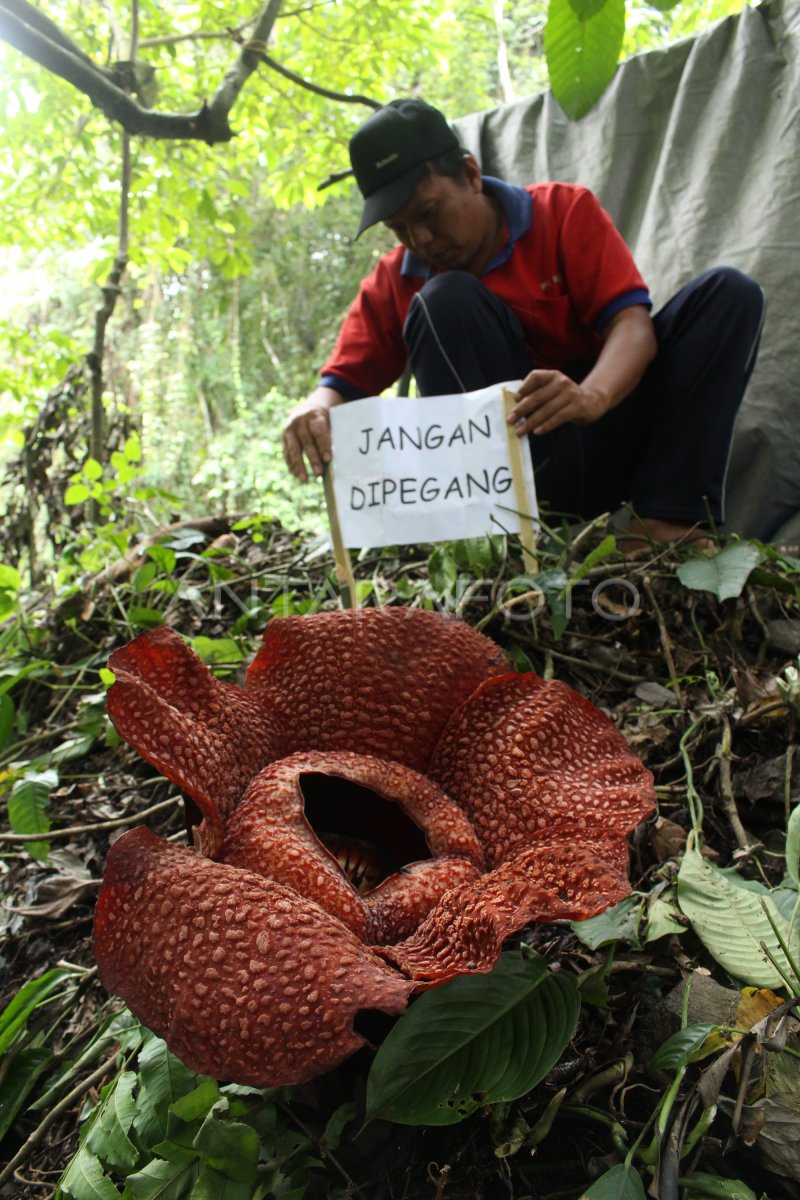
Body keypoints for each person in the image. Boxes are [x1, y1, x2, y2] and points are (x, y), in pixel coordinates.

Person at [281, 98, 765, 546]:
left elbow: (633, 326)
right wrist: (312, 410)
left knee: (729, 294)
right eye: (400, 229)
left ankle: (666, 521)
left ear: (470, 174)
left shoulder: (561, 212)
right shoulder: (396, 279)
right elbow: (340, 383)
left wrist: (590, 396)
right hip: (515, 475)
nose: (421, 238)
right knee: (445, 299)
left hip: (610, 435)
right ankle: (502, 536)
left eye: (428, 213)